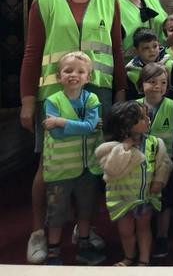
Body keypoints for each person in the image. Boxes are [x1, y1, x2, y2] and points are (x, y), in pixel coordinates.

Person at [20, 0, 127, 264]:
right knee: (48, 163)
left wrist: (120, 93)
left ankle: (85, 229)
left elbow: (117, 51)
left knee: (91, 164)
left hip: (99, 93)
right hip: (55, 94)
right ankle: (40, 232)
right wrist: (27, 100)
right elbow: (32, 52)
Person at [41, 52, 105, 266]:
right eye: (68, 71)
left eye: (80, 71)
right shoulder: (53, 101)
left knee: (86, 210)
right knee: (57, 213)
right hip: (60, 169)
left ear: (89, 76)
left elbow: (88, 127)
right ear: (59, 76)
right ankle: (53, 252)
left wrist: (60, 121)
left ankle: (84, 247)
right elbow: (59, 134)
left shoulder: (92, 99)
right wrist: (81, 127)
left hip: (88, 168)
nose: (73, 75)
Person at [96, 100, 172, 267]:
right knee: (125, 231)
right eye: (141, 118)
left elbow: (164, 163)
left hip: (144, 197)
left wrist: (159, 181)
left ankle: (144, 260)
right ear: (125, 125)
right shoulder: (111, 147)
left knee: (144, 228)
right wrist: (124, 149)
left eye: (146, 116)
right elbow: (112, 170)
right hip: (121, 198)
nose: (148, 119)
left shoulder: (154, 143)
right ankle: (129, 257)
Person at [137, 63, 173, 260]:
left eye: (163, 82)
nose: (158, 86)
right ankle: (144, 235)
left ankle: (162, 236)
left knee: (165, 203)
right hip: (140, 167)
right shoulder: (135, 107)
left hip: (165, 166)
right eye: (152, 82)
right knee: (143, 202)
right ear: (141, 85)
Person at [125, 27, 173, 100]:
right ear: (136, 51)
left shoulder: (170, 65)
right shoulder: (131, 73)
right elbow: (131, 98)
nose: (152, 50)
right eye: (146, 48)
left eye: (155, 46)